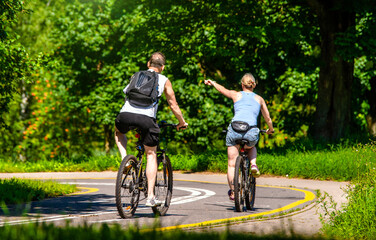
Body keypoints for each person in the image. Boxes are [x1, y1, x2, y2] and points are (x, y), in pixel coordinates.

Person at [115, 52, 188, 207]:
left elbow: (126, 94)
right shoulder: (164, 80)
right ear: (163, 67)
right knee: (151, 154)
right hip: (147, 119)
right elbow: (173, 105)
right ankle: (150, 197)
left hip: (125, 114)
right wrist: (181, 122)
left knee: (119, 132)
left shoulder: (136, 75)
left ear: (148, 64)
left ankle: (124, 158)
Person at [204, 73, 274, 201]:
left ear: (242, 84)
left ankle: (233, 192)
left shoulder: (236, 94)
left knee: (231, 164)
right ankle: (253, 164)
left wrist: (213, 83)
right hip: (250, 131)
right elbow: (267, 117)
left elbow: (222, 90)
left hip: (235, 129)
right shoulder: (259, 99)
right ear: (254, 85)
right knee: (251, 146)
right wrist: (270, 129)